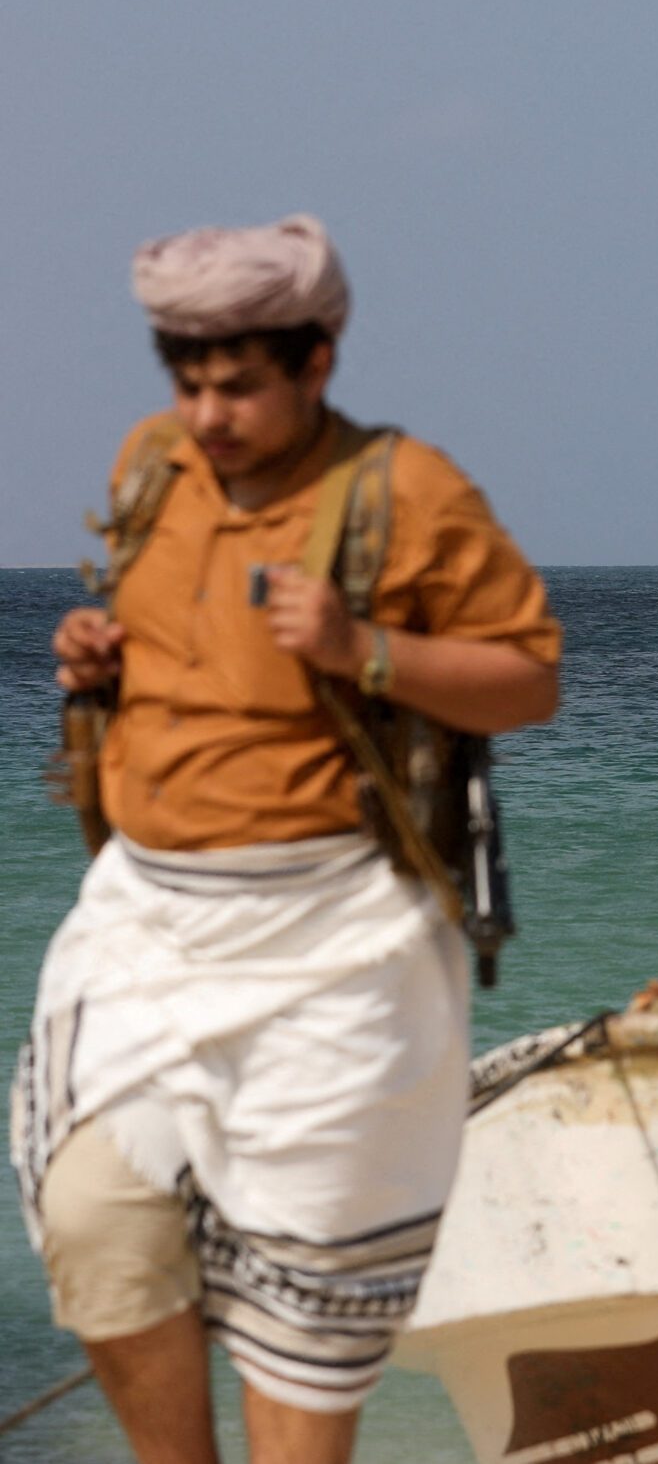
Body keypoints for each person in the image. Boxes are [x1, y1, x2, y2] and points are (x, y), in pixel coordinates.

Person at [15, 214, 561, 1463]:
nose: (210, 415)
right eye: (191, 384)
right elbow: (174, 633)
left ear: (318, 364)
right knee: (93, 1220)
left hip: (341, 942)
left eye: (240, 387)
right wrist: (96, 659)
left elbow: (528, 682)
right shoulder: (155, 465)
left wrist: (364, 649)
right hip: (147, 923)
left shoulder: (406, 492)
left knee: (300, 1309)